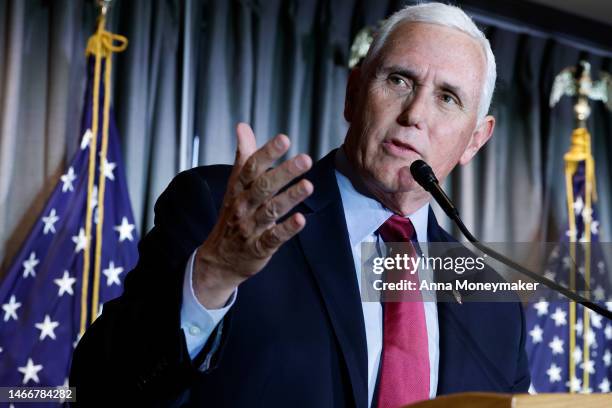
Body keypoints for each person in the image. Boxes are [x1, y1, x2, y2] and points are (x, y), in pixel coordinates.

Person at [71, 3, 530, 407]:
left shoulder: (494, 305)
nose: (415, 115)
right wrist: (213, 274)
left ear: (475, 139)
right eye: (398, 80)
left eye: (447, 98)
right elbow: (98, 389)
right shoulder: (229, 213)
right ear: (354, 94)